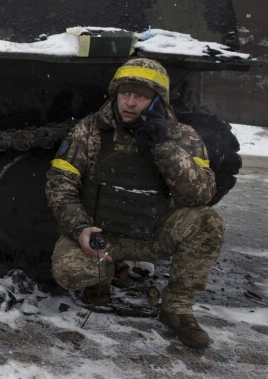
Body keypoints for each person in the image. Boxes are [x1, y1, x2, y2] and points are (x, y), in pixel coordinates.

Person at [46, 58, 224, 349]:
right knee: (69, 270)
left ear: (157, 102)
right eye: (124, 94)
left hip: (152, 233)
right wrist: (80, 228)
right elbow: (60, 184)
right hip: (103, 234)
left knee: (208, 223)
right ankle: (102, 277)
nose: (129, 102)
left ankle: (177, 309)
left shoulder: (183, 137)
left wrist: (163, 147)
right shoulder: (90, 130)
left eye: (140, 96)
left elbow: (199, 196)